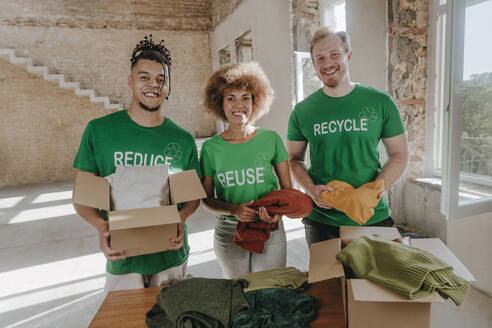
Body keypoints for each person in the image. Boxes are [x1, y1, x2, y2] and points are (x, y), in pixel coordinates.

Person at [72, 35, 201, 291]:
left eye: (160, 80)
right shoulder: (100, 131)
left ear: (168, 88)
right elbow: (82, 195)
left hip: (170, 257)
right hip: (123, 257)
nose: (153, 85)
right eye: (144, 77)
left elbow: (191, 199)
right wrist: (101, 227)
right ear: (131, 82)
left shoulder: (183, 140)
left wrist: (182, 217)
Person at [287, 28, 408, 247]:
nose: (327, 63)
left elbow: (399, 155)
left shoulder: (381, 102)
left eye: (335, 54)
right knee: (327, 282)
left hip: (372, 217)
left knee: (372, 282)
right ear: (314, 64)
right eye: (320, 58)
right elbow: (293, 159)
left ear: (348, 56)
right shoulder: (302, 111)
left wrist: (376, 190)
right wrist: (311, 190)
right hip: (321, 221)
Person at [200, 62, 292, 278]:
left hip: (270, 228)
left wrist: (276, 215)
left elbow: (288, 189)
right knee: (237, 294)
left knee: (270, 289)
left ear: (255, 101)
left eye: (246, 97)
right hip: (229, 231)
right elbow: (206, 199)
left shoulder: (271, 139)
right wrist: (234, 210)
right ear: (219, 103)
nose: (238, 105)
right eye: (230, 98)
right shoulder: (211, 148)